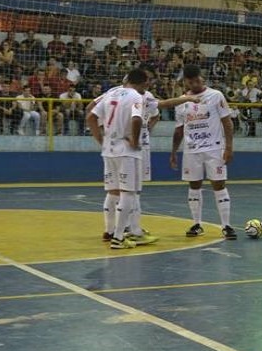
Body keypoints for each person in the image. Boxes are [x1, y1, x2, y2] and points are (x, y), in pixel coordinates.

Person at [86, 68, 158, 249]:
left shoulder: (111, 93)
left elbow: (91, 117)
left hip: (108, 149)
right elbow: (136, 120)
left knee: (113, 191)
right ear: (142, 83)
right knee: (128, 193)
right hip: (126, 151)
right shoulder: (136, 97)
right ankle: (119, 237)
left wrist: (101, 140)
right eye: (146, 83)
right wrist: (134, 140)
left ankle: (110, 231)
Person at [170, 64, 237, 240]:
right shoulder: (181, 102)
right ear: (186, 82)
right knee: (194, 185)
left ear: (202, 78)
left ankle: (226, 225)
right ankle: (196, 223)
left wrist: (229, 147)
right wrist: (173, 152)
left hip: (214, 149)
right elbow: (178, 131)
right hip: (191, 151)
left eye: (198, 80)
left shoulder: (215, 96)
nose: (195, 84)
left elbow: (227, 122)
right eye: (191, 82)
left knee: (219, 184)